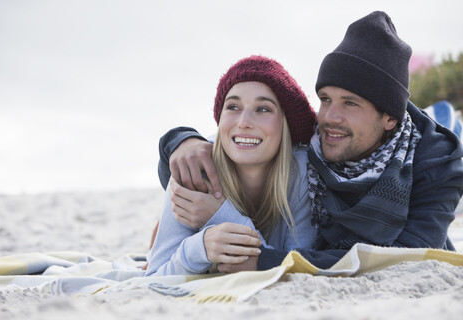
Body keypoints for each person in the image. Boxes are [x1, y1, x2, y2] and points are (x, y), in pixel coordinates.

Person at [157, 11, 463, 272]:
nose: (330, 117)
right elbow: (244, 140)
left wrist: (266, 261)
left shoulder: (437, 167)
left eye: (350, 103)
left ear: (389, 118)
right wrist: (182, 141)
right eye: (325, 99)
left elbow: (405, 259)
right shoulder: (317, 143)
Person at [145, 56, 318, 276]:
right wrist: (200, 247)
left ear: (285, 124)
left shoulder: (301, 172)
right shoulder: (193, 168)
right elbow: (153, 278)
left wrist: (221, 214)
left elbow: (298, 265)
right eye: (233, 107)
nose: (244, 121)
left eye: (263, 109)